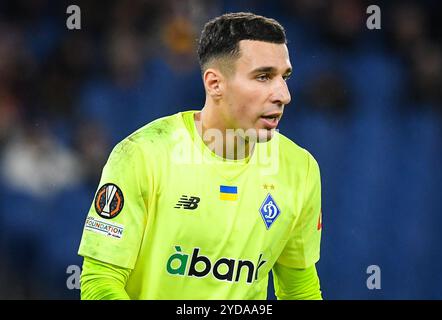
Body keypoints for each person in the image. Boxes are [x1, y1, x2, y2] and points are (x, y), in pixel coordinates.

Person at [78, 12, 323, 300]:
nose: (283, 94)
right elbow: (99, 283)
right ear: (215, 84)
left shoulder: (300, 169)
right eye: (264, 77)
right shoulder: (143, 155)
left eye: (284, 78)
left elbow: (299, 291)